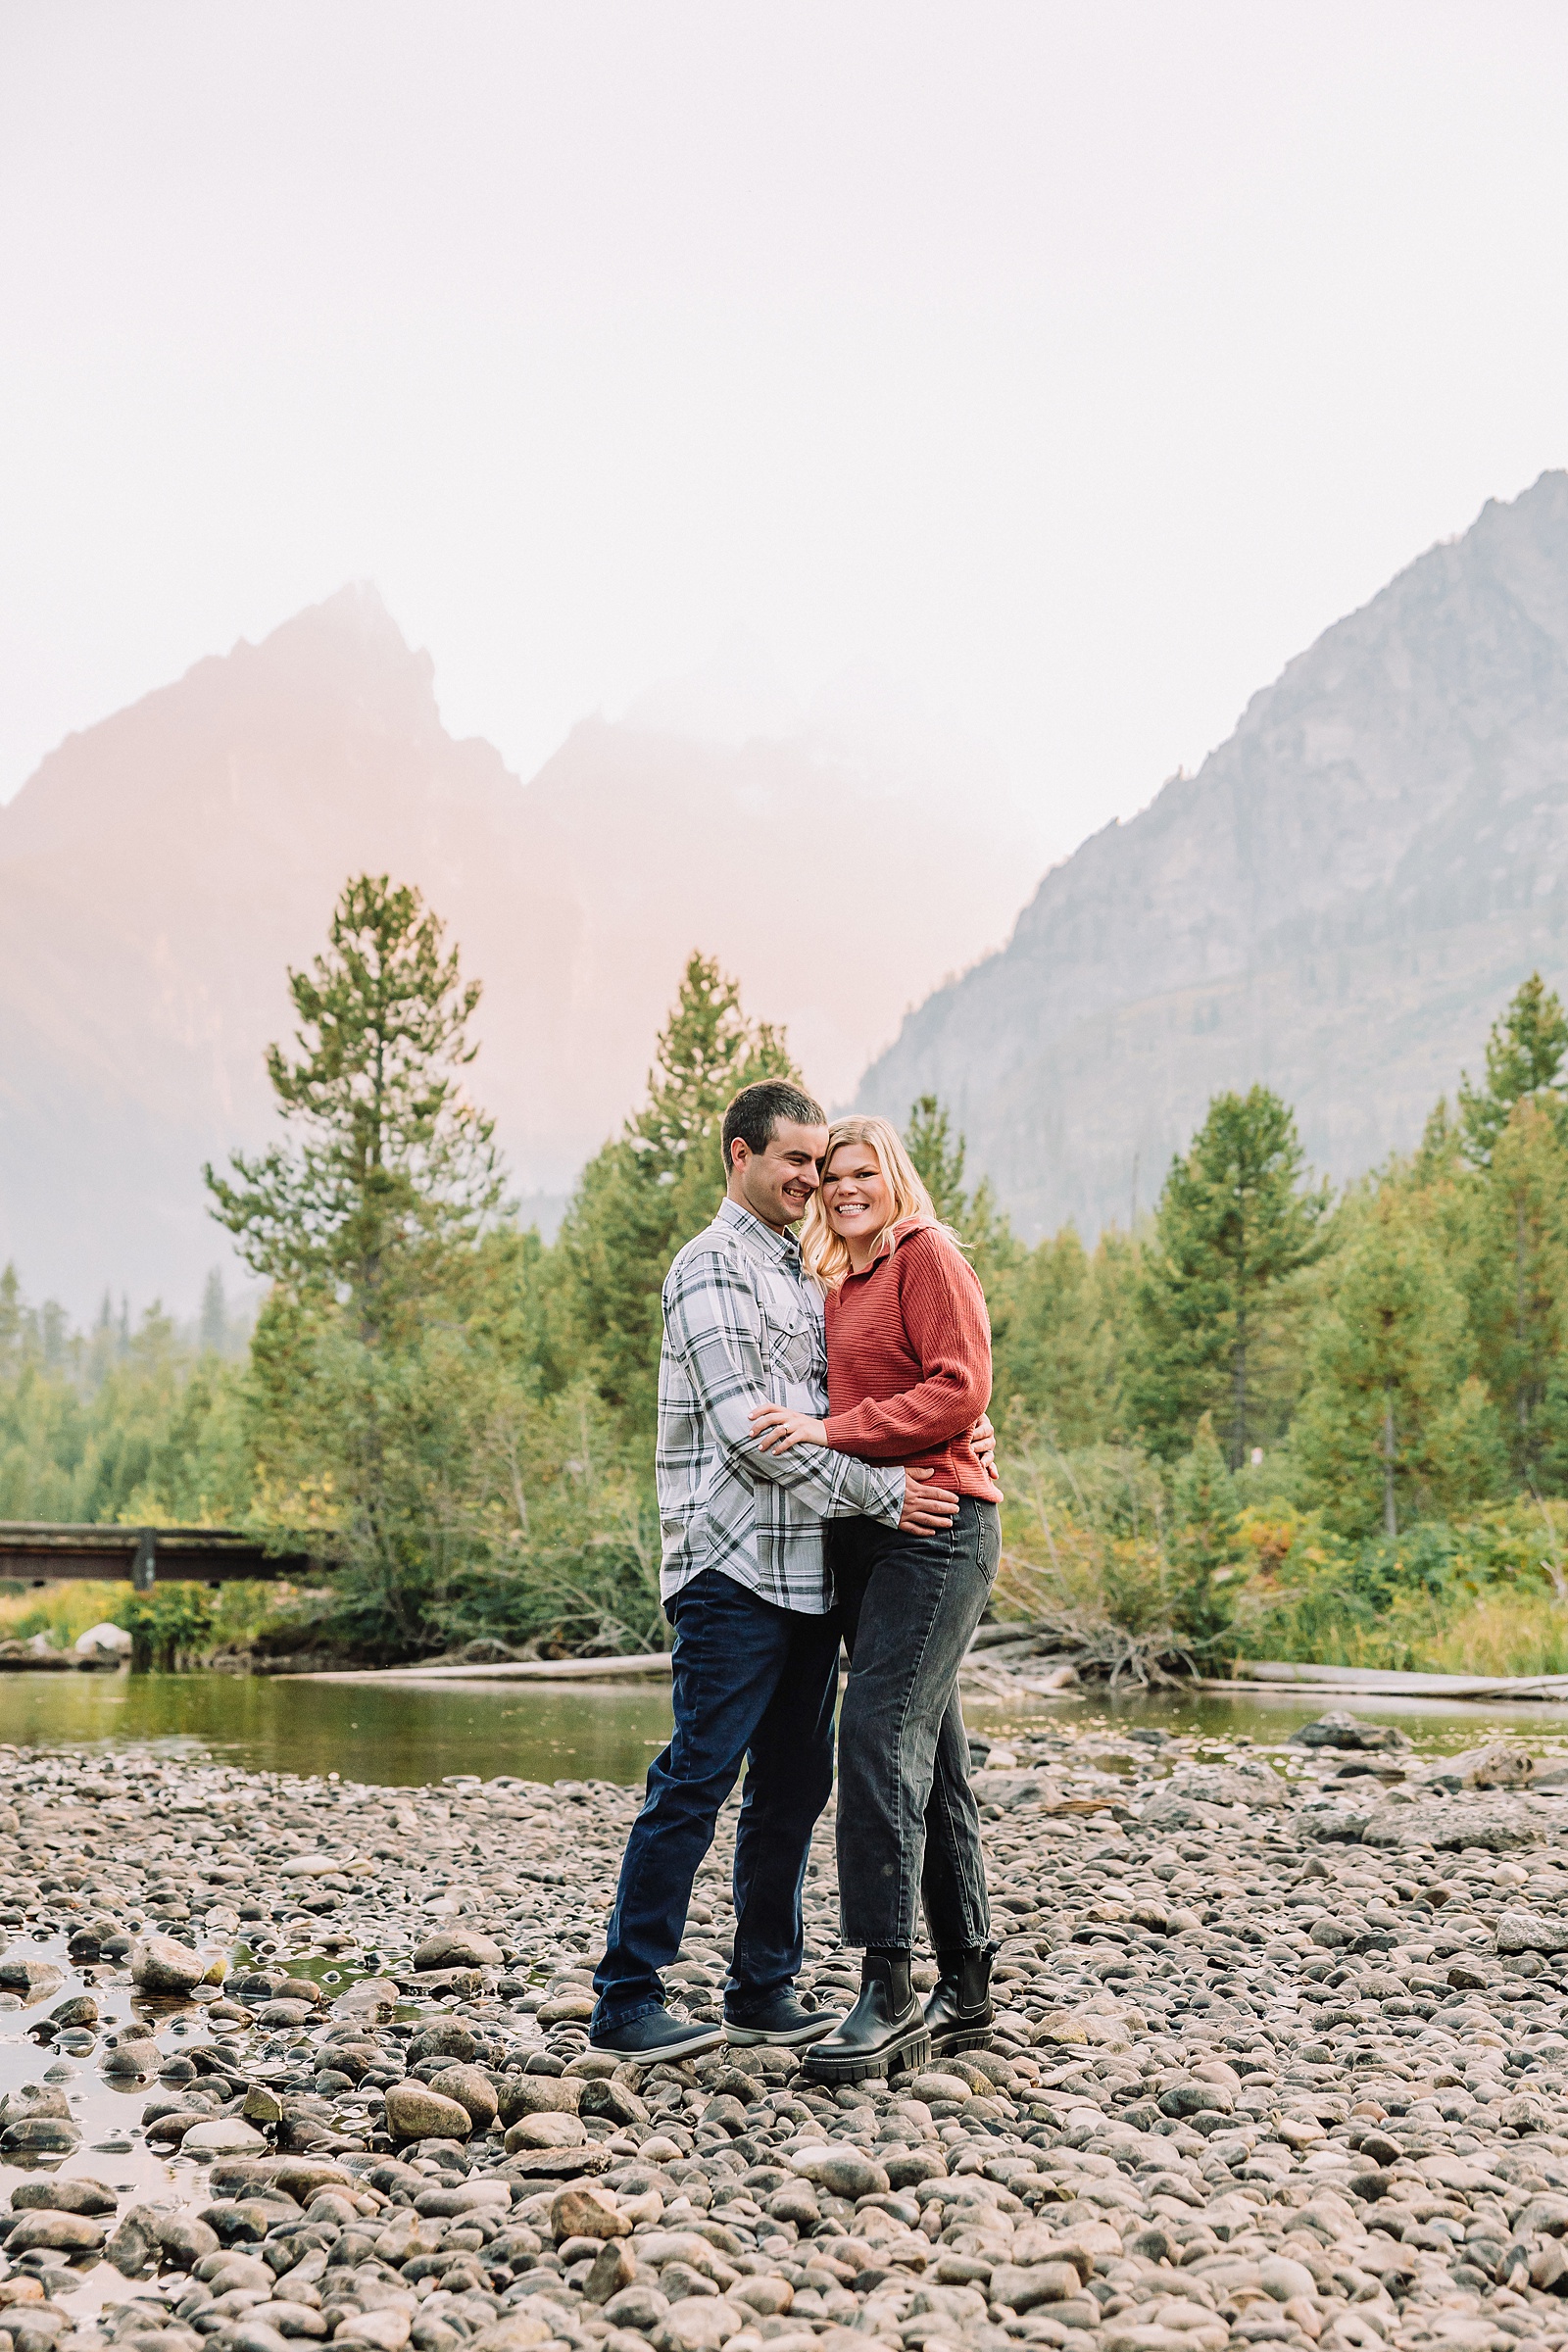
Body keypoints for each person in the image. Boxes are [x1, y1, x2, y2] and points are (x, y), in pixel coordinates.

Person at [588, 1080, 968, 2062]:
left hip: (808, 1574)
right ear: (739, 1157)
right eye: (793, 1159)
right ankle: (627, 1997)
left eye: (820, 1161)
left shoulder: (805, 1272)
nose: (808, 1177)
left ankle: (762, 1986)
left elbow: (882, 1390)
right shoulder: (709, 1267)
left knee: (793, 1790)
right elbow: (753, 1441)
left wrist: (960, 1435)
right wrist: (888, 1498)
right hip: (731, 1569)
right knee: (696, 1778)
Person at [750, 1113, 1001, 2082]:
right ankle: (967, 1988)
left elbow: (958, 1390)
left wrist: (828, 1430)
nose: (845, 1187)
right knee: (927, 1760)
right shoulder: (839, 1282)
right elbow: (934, 1397)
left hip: (933, 1532)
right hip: (868, 1536)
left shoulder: (923, 1252)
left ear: (893, 1178)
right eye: (832, 1175)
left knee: (873, 1739)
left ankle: (887, 1987)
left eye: (863, 1172)